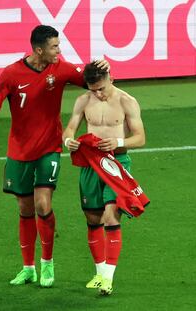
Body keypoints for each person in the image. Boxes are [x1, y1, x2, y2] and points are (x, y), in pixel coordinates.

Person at [0, 25, 109, 288]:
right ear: (39, 50)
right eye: (54, 47)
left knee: (42, 204)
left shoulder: (60, 68)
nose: (59, 51)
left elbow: (91, 80)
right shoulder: (12, 73)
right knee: (24, 208)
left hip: (49, 148)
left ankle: (47, 263)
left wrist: (103, 68)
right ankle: (28, 268)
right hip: (19, 150)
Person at [62, 62, 146, 295]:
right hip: (90, 165)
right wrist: (69, 141)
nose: (97, 93)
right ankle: (99, 274)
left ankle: (108, 278)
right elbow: (69, 130)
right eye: (93, 89)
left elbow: (140, 138)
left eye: (101, 88)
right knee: (93, 219)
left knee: (111, 217)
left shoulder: (127, 101)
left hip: (116, 165)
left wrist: (118, 143)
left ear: (110, 78)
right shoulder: (83, 101)